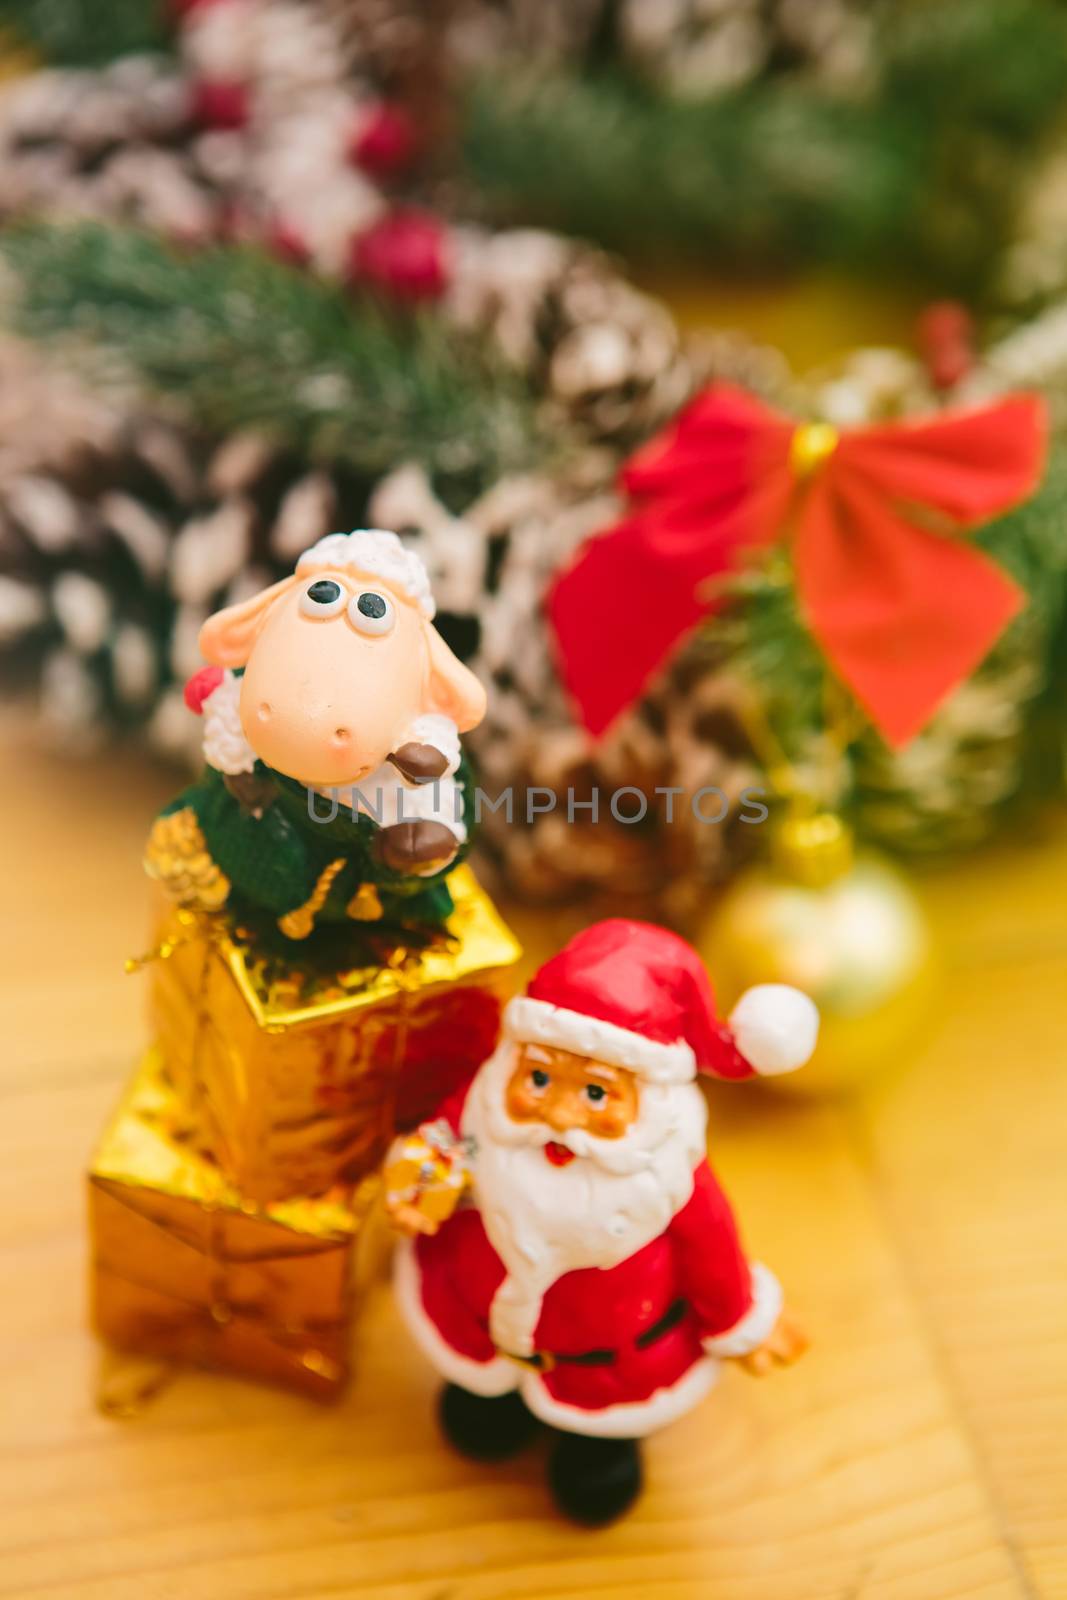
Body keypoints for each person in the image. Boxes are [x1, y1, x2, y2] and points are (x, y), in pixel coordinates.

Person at [386, 919, 818, 1523]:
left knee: (596, 1454)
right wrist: (417, 1183)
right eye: (538, 1079)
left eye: (595, 1094)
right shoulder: (486, 1110)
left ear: (650, 1100)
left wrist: (740, 1319)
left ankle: (594, 1450)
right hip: (476, 1309)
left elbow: (711, 1248)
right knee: (477, 1420)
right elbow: (441, 1144)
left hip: (607, 1352)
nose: (560, 1114)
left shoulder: (668, 1176)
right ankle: (492, 1402)